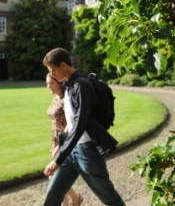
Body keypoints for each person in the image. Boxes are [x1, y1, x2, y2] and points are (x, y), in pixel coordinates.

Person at [42, 48, 125, 206]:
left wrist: (57, 160)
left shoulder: (81, 85)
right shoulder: (68, 84)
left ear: (63, 65)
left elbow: (79, 125)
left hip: (87, 152)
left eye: (53, 70)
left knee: (109, 197)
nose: (52, 74)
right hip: (71, 150)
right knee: (53, 195)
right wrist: (61, 145)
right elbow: (71, 122)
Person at [45, 73, 82, 206]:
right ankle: (76, 198)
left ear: (60, 83)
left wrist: (60, 145)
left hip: (65, 140)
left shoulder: (67, 98)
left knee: (55, 176)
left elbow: (71, 123)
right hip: (56, 139)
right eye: (47, 83)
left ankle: (73, 200)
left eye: (51, 83)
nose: (48, 86)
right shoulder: (56, 98)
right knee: (57, 177)